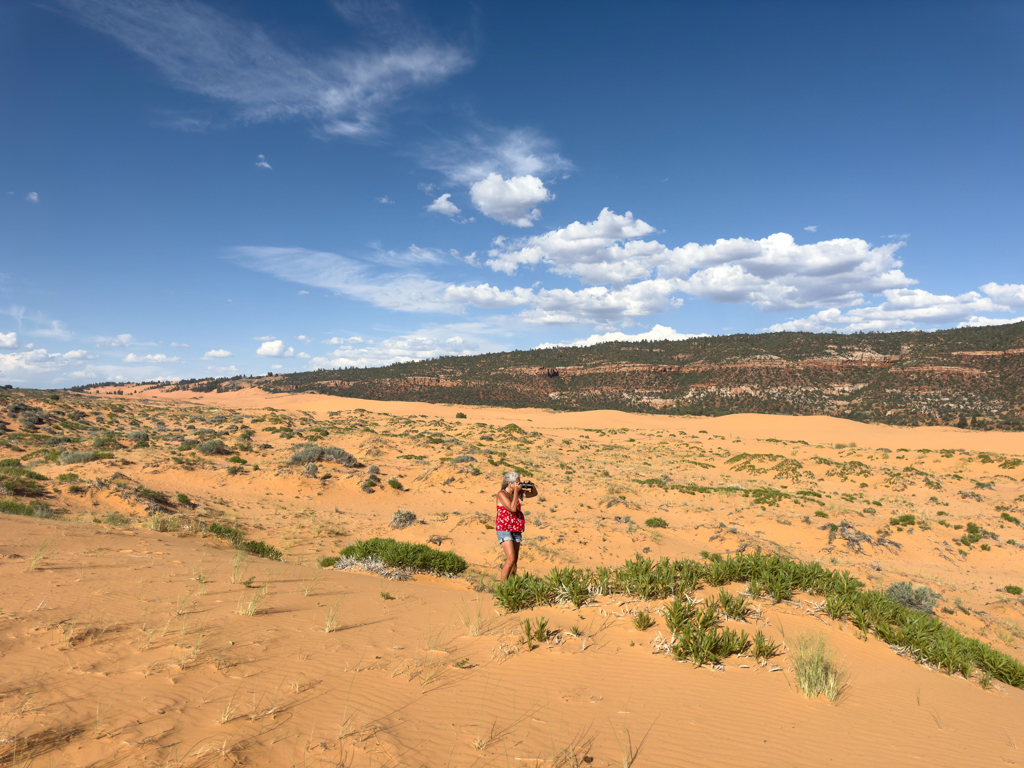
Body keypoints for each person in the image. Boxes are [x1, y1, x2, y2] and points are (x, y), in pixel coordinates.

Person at [495, 470, 538, 581]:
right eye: (517, 483)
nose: (519, 485)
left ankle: (512, 584)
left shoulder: (517, 492)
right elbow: (512, 508)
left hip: (516, 527)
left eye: (520, 482)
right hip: (504, 528)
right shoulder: (501, 494)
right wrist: (516, 492)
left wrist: (531, 485)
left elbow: (534, 494)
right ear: (509, 483)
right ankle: (504, 587)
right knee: (511, 558)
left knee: (515, 562)